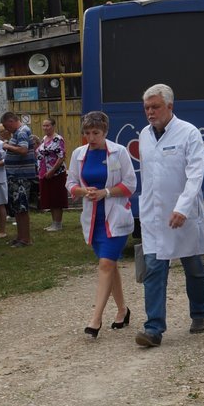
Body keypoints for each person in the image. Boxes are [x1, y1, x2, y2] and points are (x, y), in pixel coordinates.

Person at [134, 84, 204, 348]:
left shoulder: (188, 133)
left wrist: (183, 207)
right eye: (146, 108)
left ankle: (199, 312)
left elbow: (195, 174)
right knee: (153, 269)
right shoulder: (144, 134)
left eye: (155, 107)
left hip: (182, 214)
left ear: (170, 106)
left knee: (193, 267)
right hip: (154, 215)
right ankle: (153, 328)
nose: (150, 112)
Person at [66, 111, 137, 338]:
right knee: (110, 265)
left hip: (115, 217)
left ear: (105, 132)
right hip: (93, 219)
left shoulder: (119, 152)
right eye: (87, 133)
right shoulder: (79, 154)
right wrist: (82, 191)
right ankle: (123, 310)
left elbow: (130, 185)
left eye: (95, 133)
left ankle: (95, 319)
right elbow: (71, 183)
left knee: (106, 264)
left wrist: (106, 192)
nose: (91, 137)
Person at [0, 111, 36, 247]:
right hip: (16, 176)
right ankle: (20, 237)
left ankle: (25, 239)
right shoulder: (18, 132)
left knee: (22, 208)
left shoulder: (21, 131)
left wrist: (7, 146)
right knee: (17, 209)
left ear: (11, 121)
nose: (6, 129)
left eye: (6, 126)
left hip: (21, 176)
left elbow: (23, 150)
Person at [36, 117, 68, 232]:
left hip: (56, 174)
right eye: (44, 126)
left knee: (56, 198)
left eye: (47, 125)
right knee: (49, 198)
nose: (45, 128)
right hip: (44, 174)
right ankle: (54, 223)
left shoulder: (58, 139)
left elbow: (61, 157)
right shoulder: (44, 139)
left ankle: (58, 224)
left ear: (53, 126)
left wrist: (52, 171)